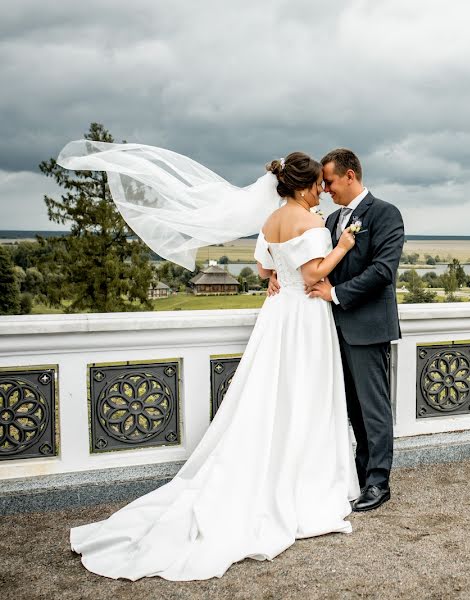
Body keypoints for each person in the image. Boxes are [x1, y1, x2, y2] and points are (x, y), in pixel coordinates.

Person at [65, 150, 362, 581]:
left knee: (272, 394)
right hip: (306, 318)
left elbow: (263, 268)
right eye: (318, 184)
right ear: (302, 186)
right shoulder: (312, 223)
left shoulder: (271, 222)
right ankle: (305, 481)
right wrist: (343, 246)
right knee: (306, 394)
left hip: (276, 317)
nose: (322, 191)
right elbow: (315, 274)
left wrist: (278, 275)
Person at [270, 148, 404, 512]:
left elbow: (383, 271)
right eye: (321, 183)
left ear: (350, 175)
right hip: (328, 331)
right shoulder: (328, 222)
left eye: (329, 181)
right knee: (350, 410)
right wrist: (276, 278)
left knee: (374, 408)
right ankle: (358, 475)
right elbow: (312, 263)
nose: (325, 189)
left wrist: (336, 293)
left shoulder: (385, 214)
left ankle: (379, 482)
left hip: (367, 326)